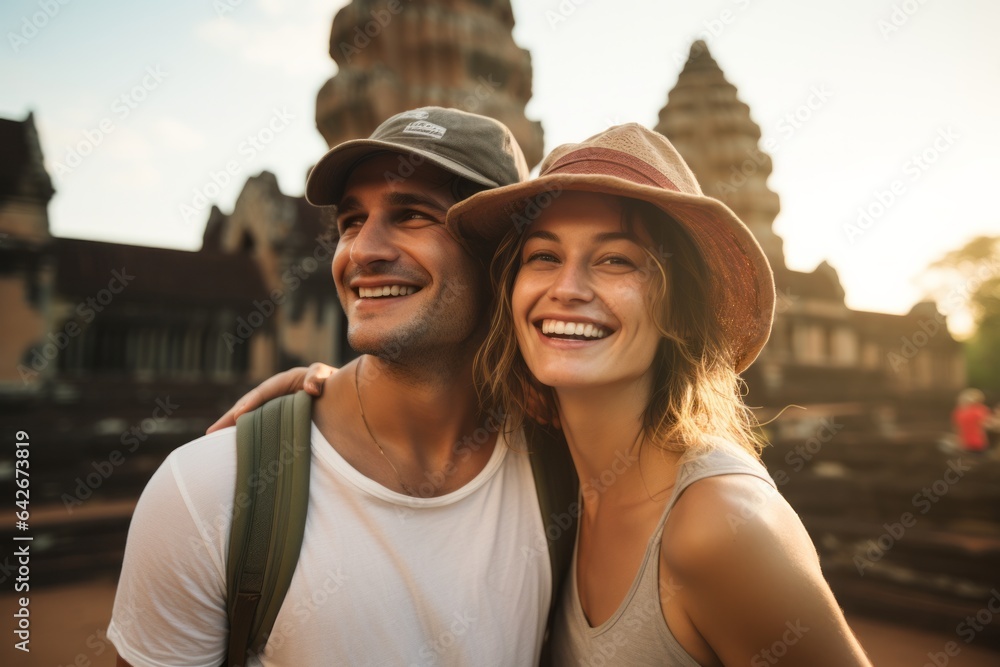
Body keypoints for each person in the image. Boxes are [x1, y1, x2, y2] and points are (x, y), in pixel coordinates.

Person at [227, 124, 872, 665]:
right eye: (541, 256)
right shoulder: (547, 463)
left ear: (680, 305)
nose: (567, 288)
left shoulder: (719, 527)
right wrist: (327, 389)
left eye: (616, 260)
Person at [108, 107, 567, 666]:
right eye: (351, 221)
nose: (361, 251)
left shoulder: (563, 471)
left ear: (501, 258)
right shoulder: (208, 490)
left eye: (414, 215)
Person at [952, 388, 992, 454]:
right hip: (978, 443)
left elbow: (956, 428)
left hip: (963, 444)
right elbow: (987, 425)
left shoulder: (958, 411)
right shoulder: (980, 410)